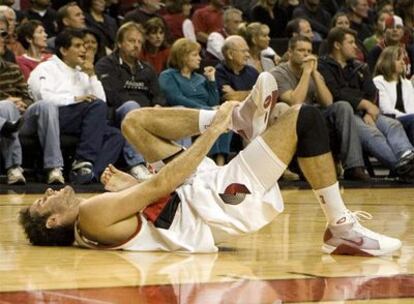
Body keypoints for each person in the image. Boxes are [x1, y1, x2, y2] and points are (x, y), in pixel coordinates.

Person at [19, 71, 402, 257]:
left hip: (190, 193)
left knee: (133, 122)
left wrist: (129, 189)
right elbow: (162, 184)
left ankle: (239, 120)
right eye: (43, 202)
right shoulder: (90, 218)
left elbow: (153, 196)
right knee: (305, 119)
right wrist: (213, 133)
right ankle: (340, 227)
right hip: (211, 202)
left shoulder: (92, 217)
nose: (49, 192)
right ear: (53, 222)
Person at [28, 28, 124, 184]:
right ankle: (83, 160)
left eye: (84, 46)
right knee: (95, 106)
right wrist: (74, 99)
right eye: (78, 46)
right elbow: (43, 98)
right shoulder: (46, 68)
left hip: (80, 121)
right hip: (52, 118)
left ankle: (89, 174)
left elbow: (102, 105)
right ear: (64, 50)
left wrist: (92, 75)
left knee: (115, 135)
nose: (84, 50)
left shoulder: (83, 73)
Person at [318, 27, 414, 181]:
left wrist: (369, 110)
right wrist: (363, 103)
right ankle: (401, 167)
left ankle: (408, 156)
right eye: (350, 42)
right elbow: (335, 93)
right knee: (372, 133)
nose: (355, 46)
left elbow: (371, 92)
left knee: (393, 124)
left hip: (365, 112)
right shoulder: (323, 66)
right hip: (344, 114)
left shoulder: (359, 66)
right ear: (337, 45)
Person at [271, 35, 369, 180]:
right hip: (292, 120)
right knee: (288, 107)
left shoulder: (313, 72)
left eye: (309, 51)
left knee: (343, 106)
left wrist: (315, 74)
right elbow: (295, 101)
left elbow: (328, 102)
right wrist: (306, 73)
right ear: (290, 52)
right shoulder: (279, 73)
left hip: (314, 119)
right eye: (301, 50)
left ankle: (354, 166)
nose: (306, 54)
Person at [95, 22, 164, 180]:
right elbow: (111, 95)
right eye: (132, 41)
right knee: (131, 106)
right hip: (118, 113)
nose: (136, 45)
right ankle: (136, 163)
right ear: (119, 43)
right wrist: (142, 111)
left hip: (145, 113)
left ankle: (178, 166)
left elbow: (158, 94)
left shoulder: (146, 68)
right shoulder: (105, 65)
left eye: (139, 42)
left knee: (176, 112)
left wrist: (158, 105)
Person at [159, 38, 228, 165]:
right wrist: (207, 110)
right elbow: (176, 98)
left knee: (225, 113)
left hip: (205, 115)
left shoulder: (200, 78)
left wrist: (211, 80)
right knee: (214, 115)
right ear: (183, 56)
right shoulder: (168, 75)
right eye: (195, 55)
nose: (200, 58)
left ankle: (220, 163)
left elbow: (213, 101)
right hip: (185, 115)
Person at [373, 46, 414, 145]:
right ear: (388, 61)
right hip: (390, 120)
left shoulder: (407, 83)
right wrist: (409, 116)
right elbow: (385, 109)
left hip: (410, 119)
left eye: (403, 59)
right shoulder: (379, 81)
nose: (403, 62)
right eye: (398, 59)